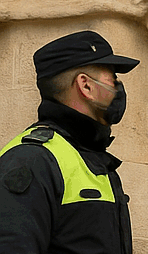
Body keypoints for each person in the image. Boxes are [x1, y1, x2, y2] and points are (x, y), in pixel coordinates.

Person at [0, 30, 140, 253]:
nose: (118, 88)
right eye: (112, 79)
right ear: (86, 86)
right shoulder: (31, 160)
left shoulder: (89, 156)